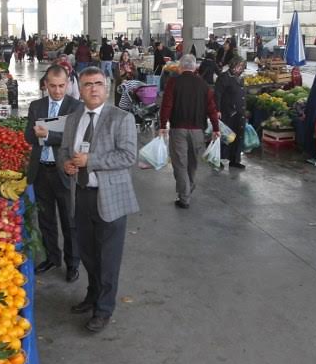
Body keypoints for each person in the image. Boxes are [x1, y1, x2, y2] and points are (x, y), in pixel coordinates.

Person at [58, 67, 139, 333]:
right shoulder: (73, 119)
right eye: (87, 84)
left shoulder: (121, 118)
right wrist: (67, 165)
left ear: (107, 87)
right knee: (89, 253)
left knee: (108, 258)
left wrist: (91, 161)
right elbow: (64, 151)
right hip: (81, 195)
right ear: (79, 90)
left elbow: (128, 157)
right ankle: (92, 295)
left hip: (110, 198)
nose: (93, 89)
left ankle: (103, 309)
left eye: (98, 84)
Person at [25, 66, 83, 282]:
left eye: (61, 86)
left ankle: (72, 262)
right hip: (41, 170)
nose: (57, 91)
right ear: (45, 85)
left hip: (64, 171)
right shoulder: (36, 106)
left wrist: (48, 135)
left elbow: (75, 138)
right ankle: (52, 257)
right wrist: (36, 134)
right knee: (45, 218)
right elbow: (28, 138)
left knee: (70, 219)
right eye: (52, 86)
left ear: (67, 84)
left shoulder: (76, 107)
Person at [159, 54, 220, 209]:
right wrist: (216, 128)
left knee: (180, 163)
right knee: (192, 163)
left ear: (180, 67)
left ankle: (184, 196)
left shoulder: (173, 82)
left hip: (178, 129)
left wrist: (162, 125)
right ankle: (188, 187)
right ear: (195, 67)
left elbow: (166, 105)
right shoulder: (203, 85)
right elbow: (212, 109)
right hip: (198, 131)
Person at [215, 57, 247, 169]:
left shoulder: (240, 78)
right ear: (232, 65)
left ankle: (235, 159)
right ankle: (217, 159)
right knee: (225, 136)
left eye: (241, 67)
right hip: (227, 112)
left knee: (238, 136)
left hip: (239, 112)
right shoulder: (224, 77)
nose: (239, 69)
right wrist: (217, 110)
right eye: (238, 66)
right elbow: (217, 94)